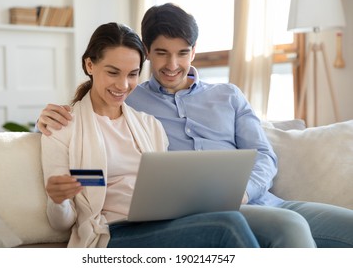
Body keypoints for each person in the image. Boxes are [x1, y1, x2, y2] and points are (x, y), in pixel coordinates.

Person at [38, 5, 353, 248]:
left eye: (182, 53)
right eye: (161, 53)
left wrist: (243, 192)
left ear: (194, 50)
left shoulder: (205, 103)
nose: (172, 65)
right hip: (179, 220)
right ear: (148, 52)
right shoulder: (124, 106)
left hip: (254, 202)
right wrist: (45, 125)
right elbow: (89, 114)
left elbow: (262, 154)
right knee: (274, 227)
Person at [41, 22, 259, 248]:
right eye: (112, 72)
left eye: (132, 74)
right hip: (112, 233)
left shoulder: (150, 126)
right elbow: (61, 224)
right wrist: (58, 200)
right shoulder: (62, 128)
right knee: (229, 225)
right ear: (89, 65)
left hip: (163, 223)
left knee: (229, 221)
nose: (123, 85)